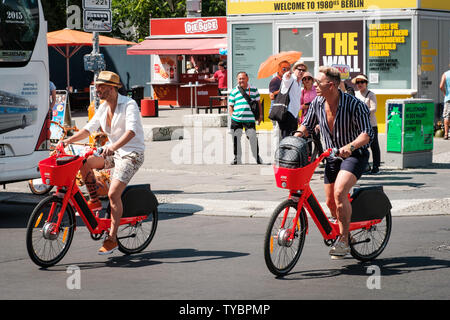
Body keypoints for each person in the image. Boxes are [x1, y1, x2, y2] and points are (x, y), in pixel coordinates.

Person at [62, 71, 145, 255]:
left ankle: (112, 239)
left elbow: (131, 131)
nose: (97, 89)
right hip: (113, 151)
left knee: (114, 193)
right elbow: (88, 129)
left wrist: (113, 146)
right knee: (83, 162)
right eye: (97, 86)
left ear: (113, 88)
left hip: (131, 154)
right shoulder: (102, 107)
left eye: (101, 86)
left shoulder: (129, 105)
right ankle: (94, 200)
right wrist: (68, 141)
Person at [294, 66, 373, 258]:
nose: (314, 85)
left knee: (339, 193)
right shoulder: (317, 103)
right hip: (331, 156)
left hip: (354, 155)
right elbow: (307, 125)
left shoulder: (355, 105)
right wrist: (295, 138)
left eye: (317, 82)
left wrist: (351, 147)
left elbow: (367, 134)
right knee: (330, 202)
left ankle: (344, 241)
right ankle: (347, 233)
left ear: (331, 84)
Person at [228, 71, 263, 165]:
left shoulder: (254, 89)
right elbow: (230, 106)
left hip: (249, 120)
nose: (241, 80)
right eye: (239, 79)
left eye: (243, 78)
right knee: (236, 139)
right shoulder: (234, 91)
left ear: (247, 79)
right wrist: (232, 116)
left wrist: (260, 115)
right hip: (236, 120)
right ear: (237, 80)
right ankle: (237, 158)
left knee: (252, 138)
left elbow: (259, 104)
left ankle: (257, 157)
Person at [353, 74, 381, 173]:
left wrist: (361, 112)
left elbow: (374, 109)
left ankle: (376, 166)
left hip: (371, 124)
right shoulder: (355, 94)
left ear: (366, 83)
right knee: (360, 146)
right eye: (358, 82)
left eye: (362, 82)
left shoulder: (371, 94)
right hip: (358, 125)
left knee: (374, 146)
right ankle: (365, 165)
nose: (360, 84)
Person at [278, 61, 307, 139]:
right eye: (299, 69)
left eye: (303, 70)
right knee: (286, 138)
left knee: (292, 138)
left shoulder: (300, 82)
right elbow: (286, 81)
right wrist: (286, 76)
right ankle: (283, 151)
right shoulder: (291, 78)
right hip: (287, 112)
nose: (301, 71)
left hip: (294, 114)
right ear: (294, 69)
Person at [269, 60, 291, 145]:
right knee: (277, 134)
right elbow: (272, 95)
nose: (286, 71)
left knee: (286, 134)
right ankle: (277, 154)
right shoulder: (275, 80)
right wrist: (283, 89)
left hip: (286, 110)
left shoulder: (288, 80)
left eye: (289, 69)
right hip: (277, 111)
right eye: (284, 69)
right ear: (278, 69)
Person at [439, 67, 450, 140]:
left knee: (447, 116)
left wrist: (445, 92)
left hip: (448, 98)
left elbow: (441, 86)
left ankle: (446, 134)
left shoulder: (445, 74)